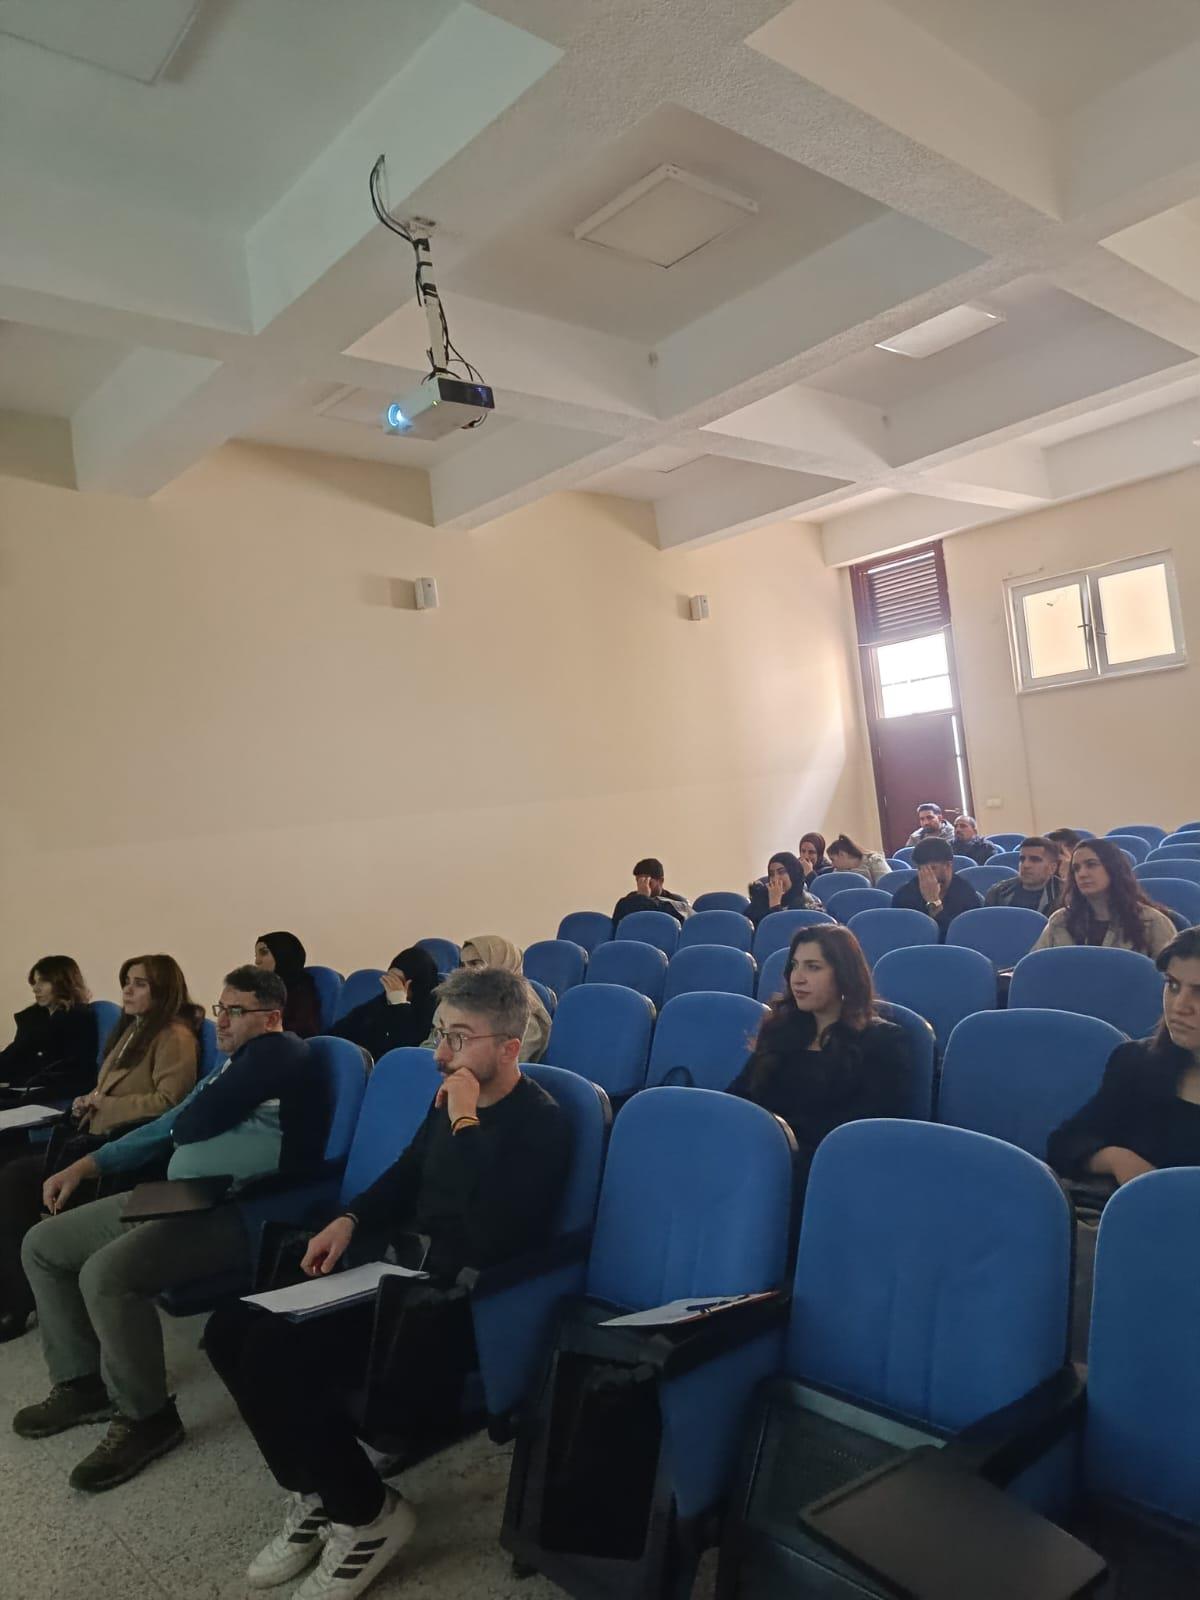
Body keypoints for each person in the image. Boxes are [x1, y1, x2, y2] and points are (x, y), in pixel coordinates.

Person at [203, 967, 571, 1600]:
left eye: (460, 1038)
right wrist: (349, 1219)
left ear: (511, 1047)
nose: (441, 1054)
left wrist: (465, 1120)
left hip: (455, 1302)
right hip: (399, 1274)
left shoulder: (542, 1123)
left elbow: (494, 1234)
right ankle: (320, 1489)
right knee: (228, 1328)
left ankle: (368, 1517)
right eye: (441, 1034)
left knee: (272, 1353)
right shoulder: (449, 1097)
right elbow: (408, 1173)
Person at [13, 965, 327, 1492]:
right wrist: (87, 1165)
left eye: (236, 1012)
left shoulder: (282, 1053)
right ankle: (82, 1384)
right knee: (43, 1244)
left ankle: (148, 1417)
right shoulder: (233, 1065)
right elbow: (172, 1123)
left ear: (272, 1018)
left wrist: (187, 1124)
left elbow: (190, 1123)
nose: (221, 1021)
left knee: (107, 1275)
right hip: (181, 1196)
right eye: (221, 1008)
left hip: (242, 1209)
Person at [0, 954, 202, 1344]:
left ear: (162, 990)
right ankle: (21, 1289)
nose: (127, 990)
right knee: (11, 1173)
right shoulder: (132, 1030)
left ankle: (18, 1300)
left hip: (125, 1151)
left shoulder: (173, 1036)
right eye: (126, 981)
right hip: (94, 1137)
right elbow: (104, 1088)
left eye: (139, 983)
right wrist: (85, 1101)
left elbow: (170, 1104)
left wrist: (104, 1106)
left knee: (12, 1180)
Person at [728, 925, 910, 1187]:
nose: (797, 978)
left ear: (844, 975)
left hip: (829, 1178)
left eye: (813, 967)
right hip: (755, 1165)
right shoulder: (779, 1031)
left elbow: (867, 1135)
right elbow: (739, 1098)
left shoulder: (883, 1041)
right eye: (794, 966)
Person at [1048, 927, 1200, 1185]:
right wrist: (1116, 1159)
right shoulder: (1136, 1062)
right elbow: (1065, 1144)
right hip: (1136, 1209)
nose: (1179, 1006)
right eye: (1173, 985)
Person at [1032, 839, 1175, 957]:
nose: (1082, 874)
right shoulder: (1060, 920)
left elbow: (1172, 975)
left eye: (1091, 865)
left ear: (1113, 868)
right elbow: (1036, 967)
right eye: (1076, 869)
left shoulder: (1151, 922)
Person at [0, 956, 98, 1109]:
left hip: (47, 1094)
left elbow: (79, 1073)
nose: (35, 988)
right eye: (34, 982)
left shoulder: (78, 1019)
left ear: (63, 983)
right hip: (23, 1089)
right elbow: (14, 1055)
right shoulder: (33, 1019)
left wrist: (32, 1091)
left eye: (43, 981)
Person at [331, 947, 440, 1062]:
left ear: (416, 984)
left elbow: (409, 1050)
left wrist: (400, 1006)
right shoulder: (381, 1002)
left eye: (398, 981)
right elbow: (340, 1032)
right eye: (389, 978)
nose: (391, 986)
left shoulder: (434, 1010)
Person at [457, 936, 551, 1062]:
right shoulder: (461, 1000)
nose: (465, 972)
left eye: (475, 963)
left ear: (502, 964)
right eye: (463, 965)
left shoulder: (526, 1013)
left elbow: (507, 1063)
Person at [891, 837, 982, 940]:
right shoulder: (905, 895)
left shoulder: (965, 893)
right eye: (921, 869)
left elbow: (962, 935)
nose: (927, 875)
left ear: (948, 866)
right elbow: (904, 935)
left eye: (933, 868)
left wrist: (934, 902)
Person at [256, 932, 321, 1038]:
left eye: (264, 953)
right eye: (256, 955)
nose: (257, 961)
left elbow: (302, 1031)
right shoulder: (260, 989)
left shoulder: (301, 990)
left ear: (282, 953)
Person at [610, 858, 693, 938]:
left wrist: (643, 898)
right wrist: (641, 898)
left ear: (661, 881)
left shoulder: (676, 903)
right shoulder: (628, 902)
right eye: (639, 881)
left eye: (647, 881)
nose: (642, 885)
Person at [983, 837, 1062, 915]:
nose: (1026, 865)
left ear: (1052, 868)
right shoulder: (997, 892)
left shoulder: (1065, 896)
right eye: (1022, 859)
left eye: (1035, 860)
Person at [747, 852, 821, 927]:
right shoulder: (762, 898)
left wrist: (775, 906)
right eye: (772, 874)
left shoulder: (808, 904)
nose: (775, 879)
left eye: (781, 872)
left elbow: (786, 932)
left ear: (793, 874)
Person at [826, 835, 891, 886]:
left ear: (842, 854)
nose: (832, 864)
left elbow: (887, 885)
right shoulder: (838, 870)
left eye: (832, 859)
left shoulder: (874, 860)